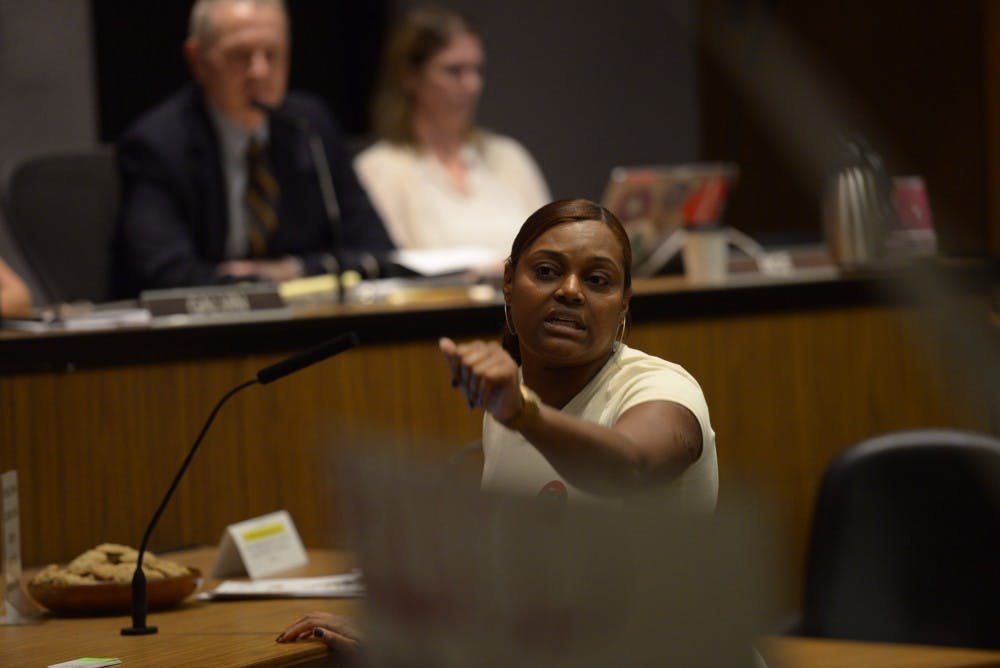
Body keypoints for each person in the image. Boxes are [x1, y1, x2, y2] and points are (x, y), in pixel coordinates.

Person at [276, 198, 718, 652]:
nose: (570, 290)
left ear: (624, 302)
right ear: (508, 282)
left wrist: (523, 415)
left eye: (597, 280)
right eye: (547, 271)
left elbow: (633, 466)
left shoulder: (661, 388)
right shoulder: (509, 404)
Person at [111, 0, 394, 298]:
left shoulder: (309, 126)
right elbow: (163, 272)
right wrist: (260, 289)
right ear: (197, 60)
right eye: (239, 56)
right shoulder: (157, 144)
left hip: (304, 322)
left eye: (272, 54)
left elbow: (376, 250)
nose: (259, 71)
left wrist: (291, 270)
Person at [354, 6, 550, 262]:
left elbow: (552, 245)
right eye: (454, 71)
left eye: (476, 70)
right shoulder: (380, 168)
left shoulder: (508, 156)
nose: (472, 85)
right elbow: (392, 267)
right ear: (411, 77)